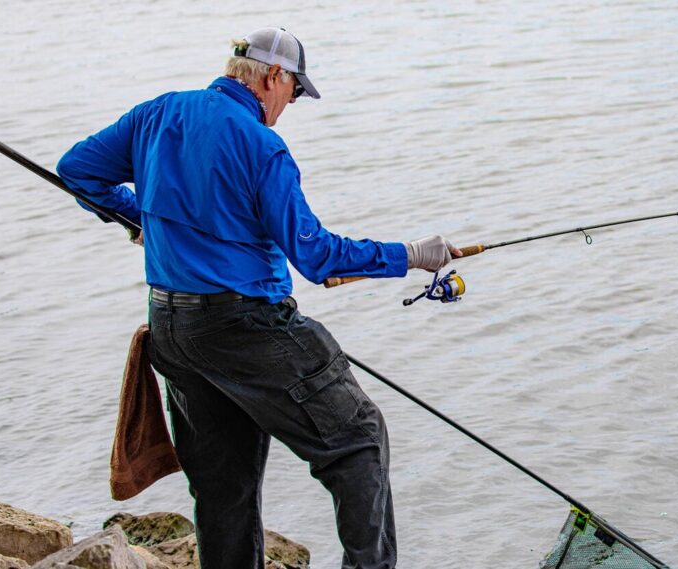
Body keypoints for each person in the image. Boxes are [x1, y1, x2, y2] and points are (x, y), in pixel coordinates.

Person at [57, 27, 458, 569]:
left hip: (172, 329)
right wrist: (409, 253)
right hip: (245, 326)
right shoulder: (261, 145)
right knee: (359, 440)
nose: (288, 105)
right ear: (273, 76)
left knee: (224, 486)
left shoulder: (156, 114)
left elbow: (77, 171)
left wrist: (137, 216)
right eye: (293, 92)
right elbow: (316, 256)